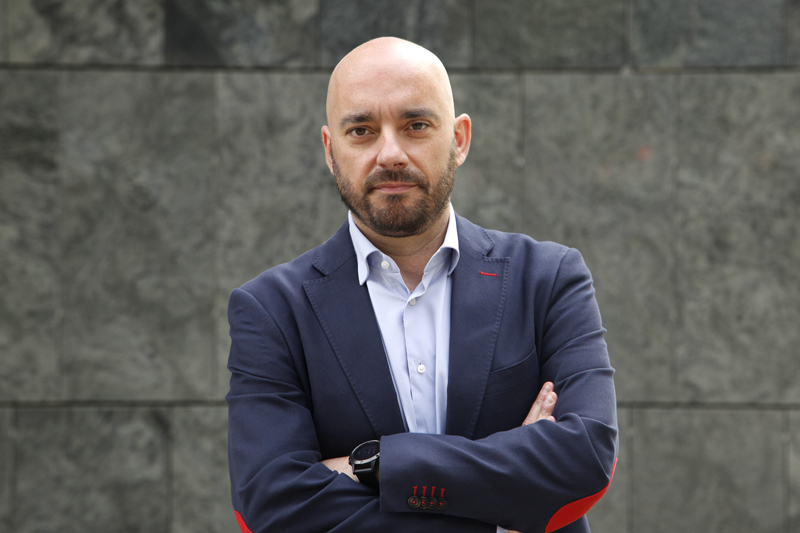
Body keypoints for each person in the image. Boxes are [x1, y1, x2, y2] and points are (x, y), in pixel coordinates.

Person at [226, 37, 617, 533]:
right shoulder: (270, 310)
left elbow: (587, 456)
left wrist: (377, 464)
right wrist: (500, 511)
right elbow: (270, 505)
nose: (390, 153)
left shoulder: (548, 279)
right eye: (361, 131)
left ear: (459, 139)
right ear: (330, 150)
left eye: (415, 125)